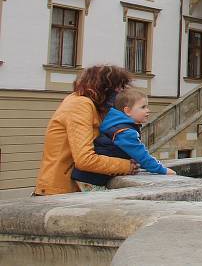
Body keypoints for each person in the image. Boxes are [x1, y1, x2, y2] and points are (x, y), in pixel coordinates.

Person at [34, 65, 137, 195]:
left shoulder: (91, 106)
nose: (121, 93)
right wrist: (127, 166)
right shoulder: (80, 104)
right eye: (119, 87)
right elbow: (85, 159)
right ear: (104, 86)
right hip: (62, 191)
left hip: (69, 189)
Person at [72, 88, 176, 190]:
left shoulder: (116, 124)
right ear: (128, 111)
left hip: (86, 176)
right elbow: (142, 156)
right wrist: (163, 170)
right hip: (91, 179)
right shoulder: (125, 131)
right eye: (143, 107)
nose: (148, 110)